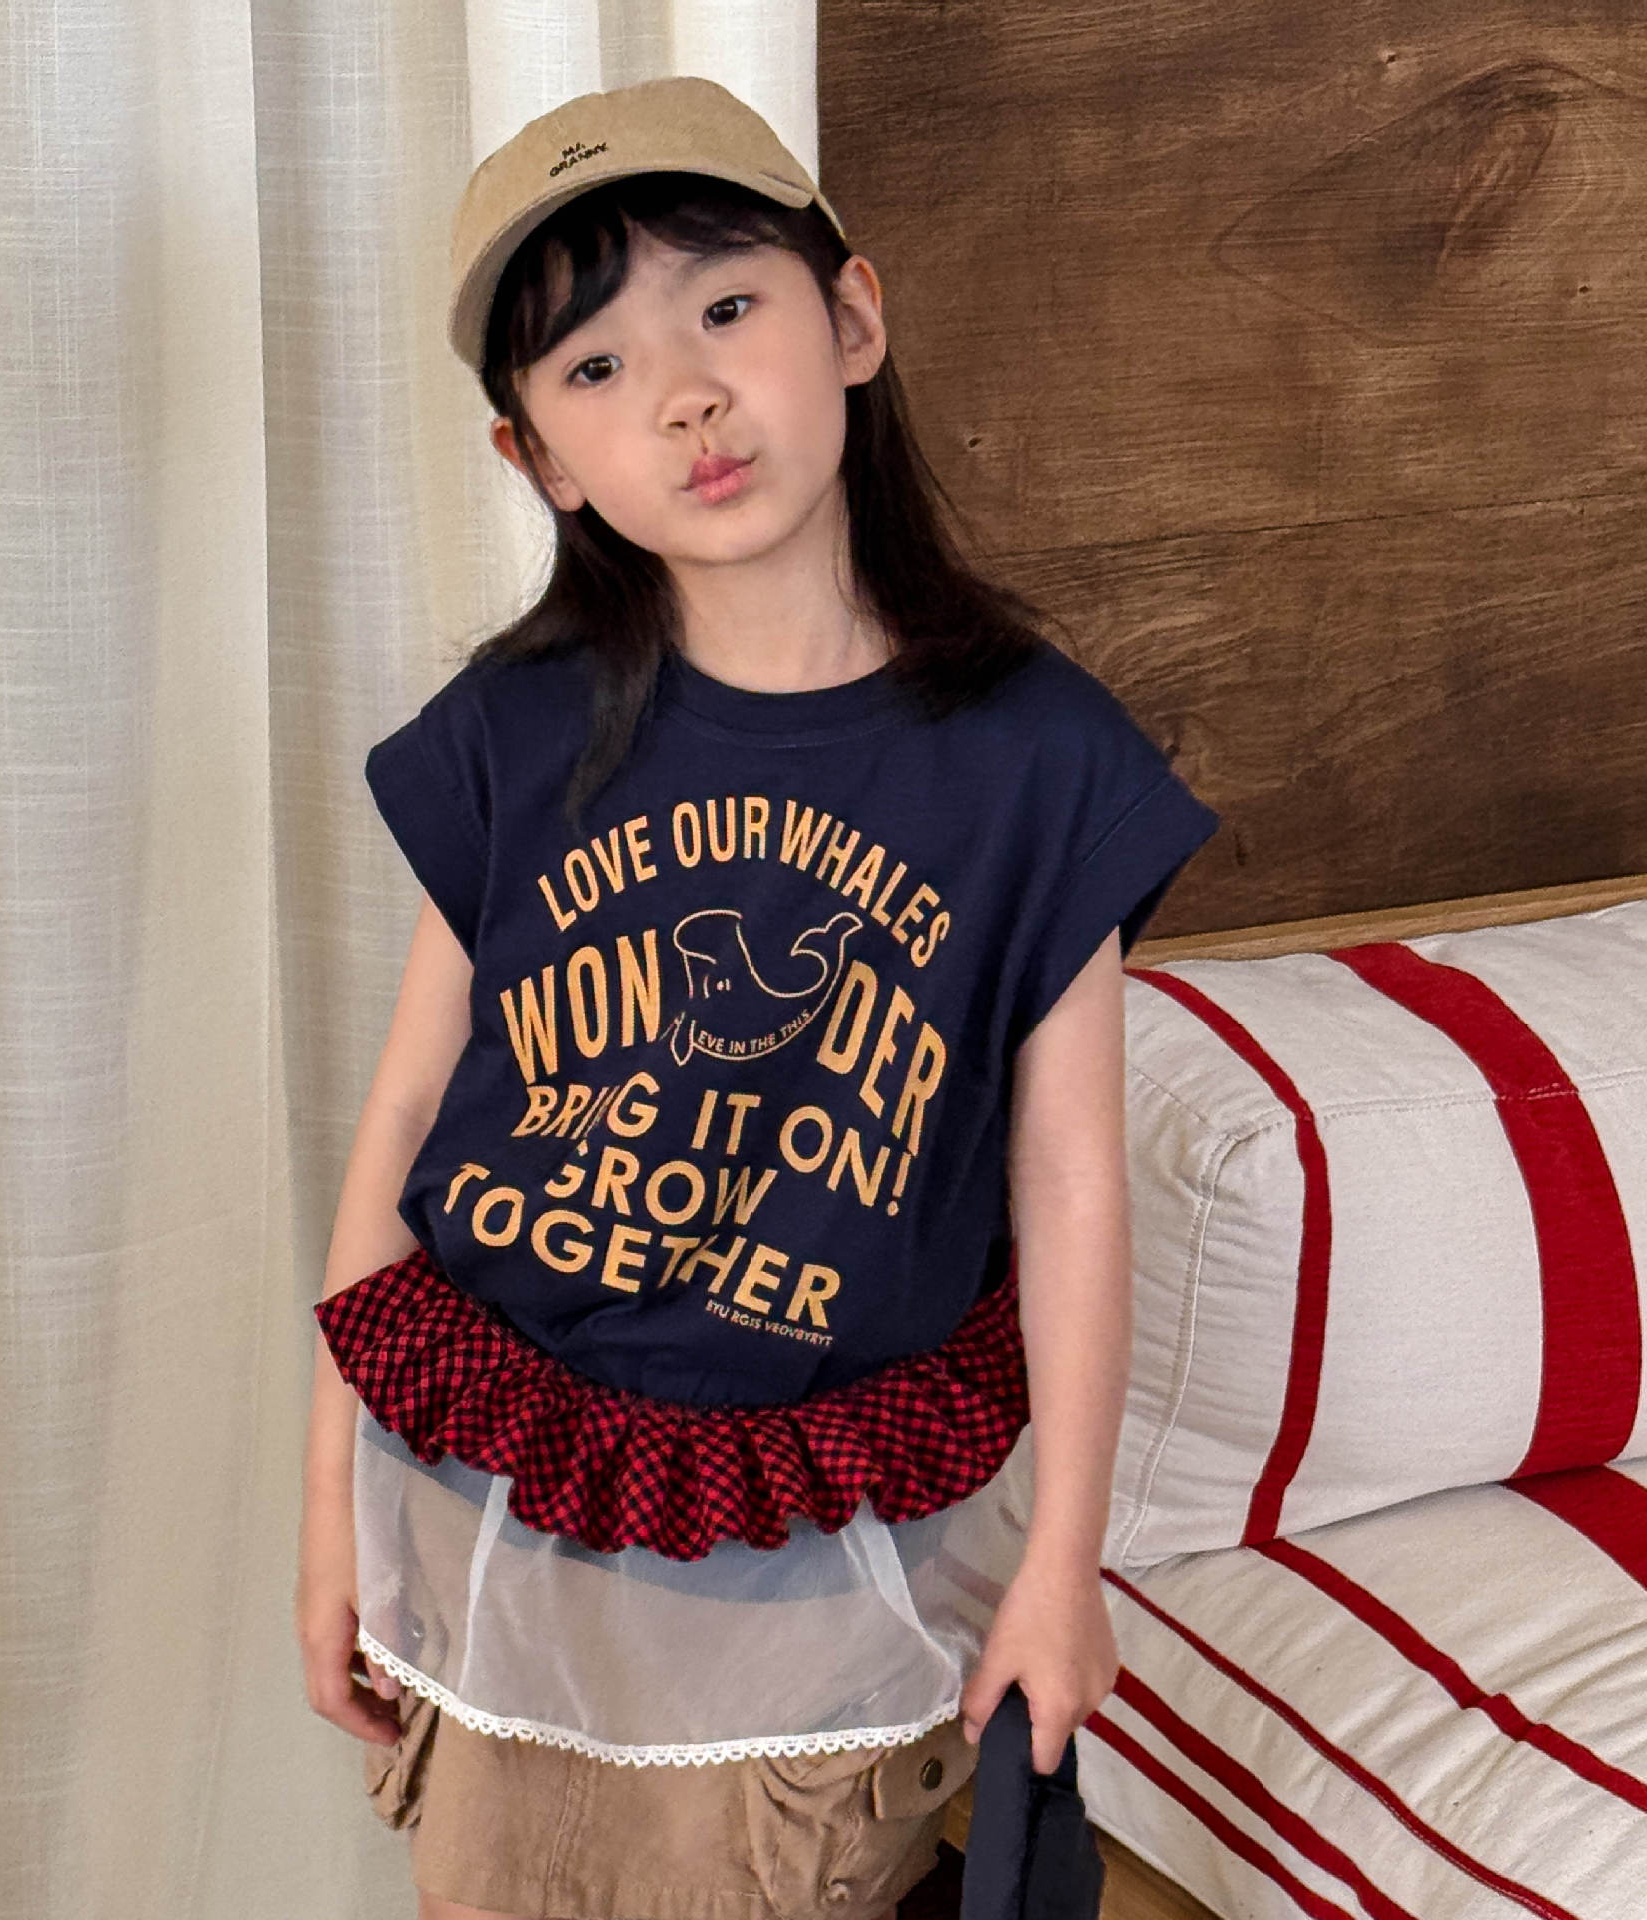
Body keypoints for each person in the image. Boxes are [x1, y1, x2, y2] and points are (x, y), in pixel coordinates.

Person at [295, 73, 1220, 1920]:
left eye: (727, 307)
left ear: (852, 317)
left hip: (817, 1539)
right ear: (540, 459)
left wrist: (1066, 1562)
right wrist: (331, 1512)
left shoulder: (1034, 761)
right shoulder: (518, 732)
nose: (687, 396)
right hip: (497, 1492)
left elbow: (1069, 1180)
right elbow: (406, 1115)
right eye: (597, 367)